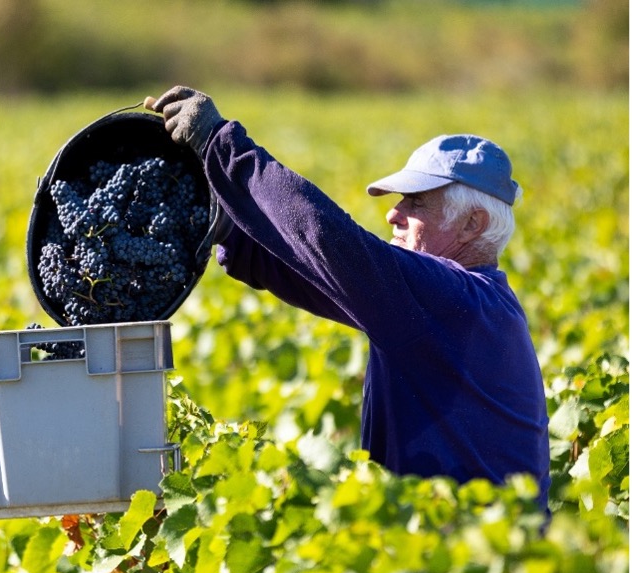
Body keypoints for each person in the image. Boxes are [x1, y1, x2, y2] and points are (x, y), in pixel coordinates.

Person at [151, 86, 550, 509]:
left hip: (472, 554)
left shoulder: (456, 301)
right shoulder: (451, 306)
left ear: (473, 224)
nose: (393, 214)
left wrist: (222, 147)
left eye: (415, 204)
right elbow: (320, 280)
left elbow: (329, 242)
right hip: (451, 543)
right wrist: (233, 235)